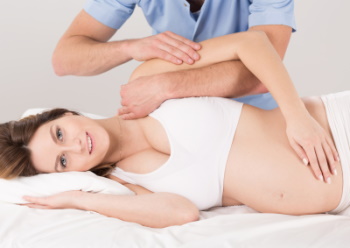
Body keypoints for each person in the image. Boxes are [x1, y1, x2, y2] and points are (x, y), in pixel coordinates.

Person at [1, 31, 347, 229]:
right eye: (63, 162)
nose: (77, 147)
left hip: (336, 123)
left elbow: (253, 43)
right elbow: (181, 212)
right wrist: (76, 198)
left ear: (62, 114)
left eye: (59, 134)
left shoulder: (144, 81)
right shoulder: (123, 184)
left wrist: (298, 117)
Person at [52, 0, 296, 117]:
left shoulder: (154, 81)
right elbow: (64, 60)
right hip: (171, 122)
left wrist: (165, 86)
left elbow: (265, 73)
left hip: (253, 119)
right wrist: (130, 48)